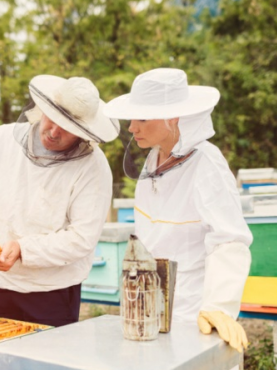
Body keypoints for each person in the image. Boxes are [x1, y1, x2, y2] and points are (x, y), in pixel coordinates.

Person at [0, 75, 118, 327]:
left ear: (83, 132)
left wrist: (23, 249)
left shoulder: (93, 168)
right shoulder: (1, 140)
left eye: (67, 127)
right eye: (52, 118)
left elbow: (82, 237)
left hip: (53, 294)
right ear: (42, 109)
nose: (54, 131)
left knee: (47, 366)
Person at [103, 68, 253, 350]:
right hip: (148, 303)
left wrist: (218, 306)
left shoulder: (207, 164)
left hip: (191, 311)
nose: (132, 127)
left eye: (143, 118)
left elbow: (229, 240)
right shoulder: (153, 158)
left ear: (173, 117)